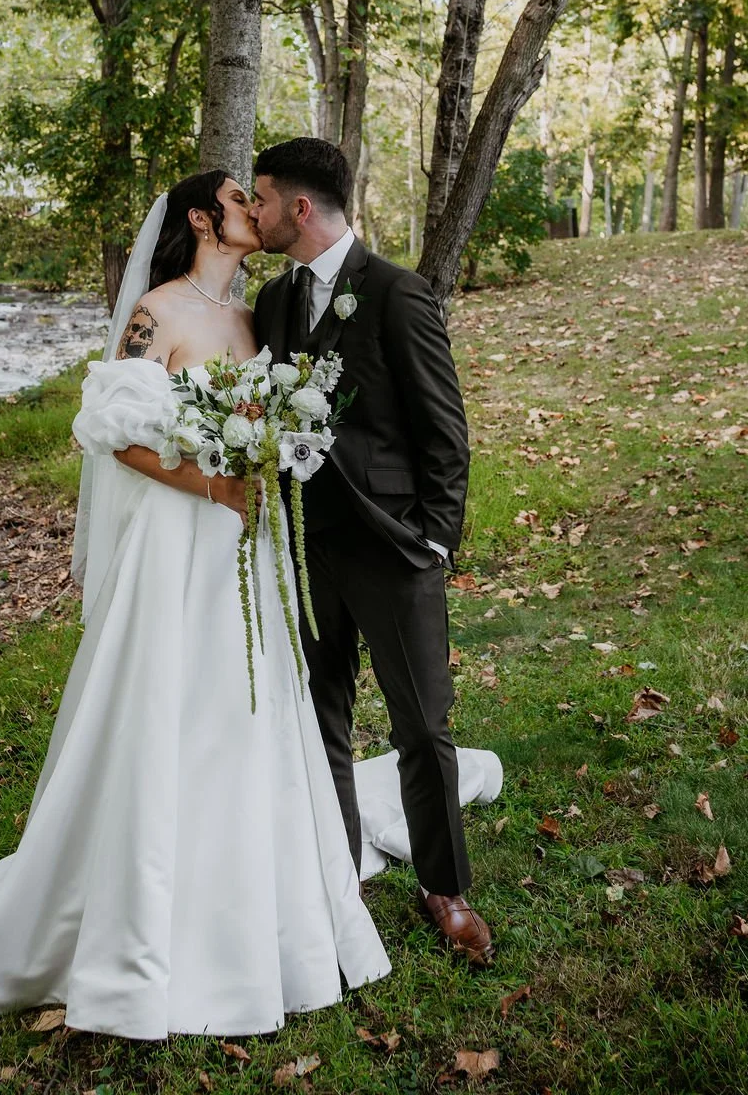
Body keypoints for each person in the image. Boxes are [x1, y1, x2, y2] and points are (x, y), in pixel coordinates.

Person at [0, 171, 391, 1039]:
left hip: (249, 555)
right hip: (179, 548)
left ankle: (252, 909)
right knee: (168, 712)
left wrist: (272, 458)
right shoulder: (157, 311)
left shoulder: (253, 319)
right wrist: (211, 484)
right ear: (199, 218)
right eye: (235, 196)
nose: (252, 208)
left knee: (243, 719)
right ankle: (139, 930)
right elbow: (113, 433)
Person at [250, 138, 495, 966]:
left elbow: (445, 431)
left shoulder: (396, 293)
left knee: (422, 724)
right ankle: (338, 873)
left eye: (263, 198)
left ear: (301, 208)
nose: (255, 212)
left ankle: (445, 886)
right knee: (322, 718)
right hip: (305, 546)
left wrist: (435, 540)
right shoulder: (275, 304)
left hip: (394, 547)